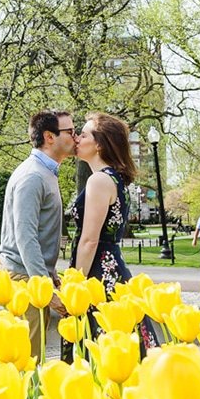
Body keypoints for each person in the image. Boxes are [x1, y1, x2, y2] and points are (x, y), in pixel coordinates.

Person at [68, 114, 159, 348]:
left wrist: (76, 283)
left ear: (99, 144)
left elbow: (89, 240)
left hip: (98, 272)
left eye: (84, 134)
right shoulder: (115, 179)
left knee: (101, 344)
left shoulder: (98, 180)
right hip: (111, 267)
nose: (77, 138)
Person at [0, 108, 76, 358]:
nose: (75, 137)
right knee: (26, 363)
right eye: (70, 131)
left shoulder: (46, 173)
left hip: (32, 277)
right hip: (23, 279)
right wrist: (46, 289)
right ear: (49, 137)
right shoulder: (32, 176)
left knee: (32, 360)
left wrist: (50, 276)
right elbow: (25, 236)